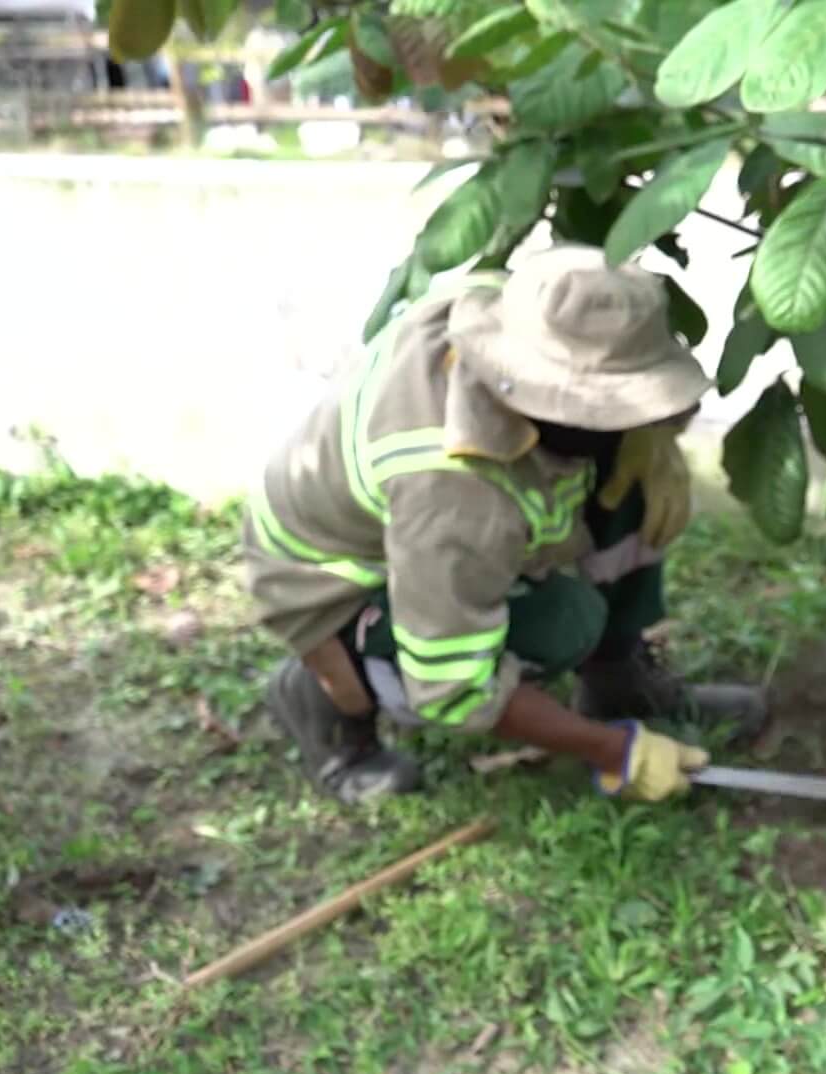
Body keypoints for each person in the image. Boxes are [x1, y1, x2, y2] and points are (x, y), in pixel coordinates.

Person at [242, 245, 767, 805]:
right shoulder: (452, 493)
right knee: (562, 624)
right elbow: (454, 689)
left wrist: (651, 437)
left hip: (408, 519)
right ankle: (337, 698)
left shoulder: (511, 310)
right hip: (328, 576)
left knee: (634, 483)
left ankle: (617, 680)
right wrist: (614, 752)